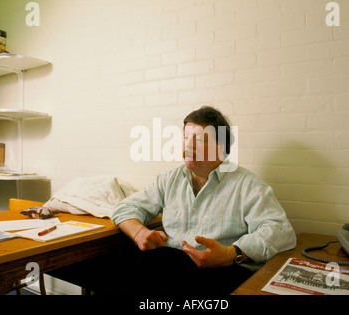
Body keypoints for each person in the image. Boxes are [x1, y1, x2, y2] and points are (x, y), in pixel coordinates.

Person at [110, 106, 296, 295]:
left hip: (223, 272)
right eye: (185, 138)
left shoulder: (249, 186)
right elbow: (125, 208)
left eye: (199, 140)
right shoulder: (168, 180)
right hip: (171, 267)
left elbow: (281, 232)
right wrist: (139, 232)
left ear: (221, 148)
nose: (188, 146)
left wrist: (230, 253)